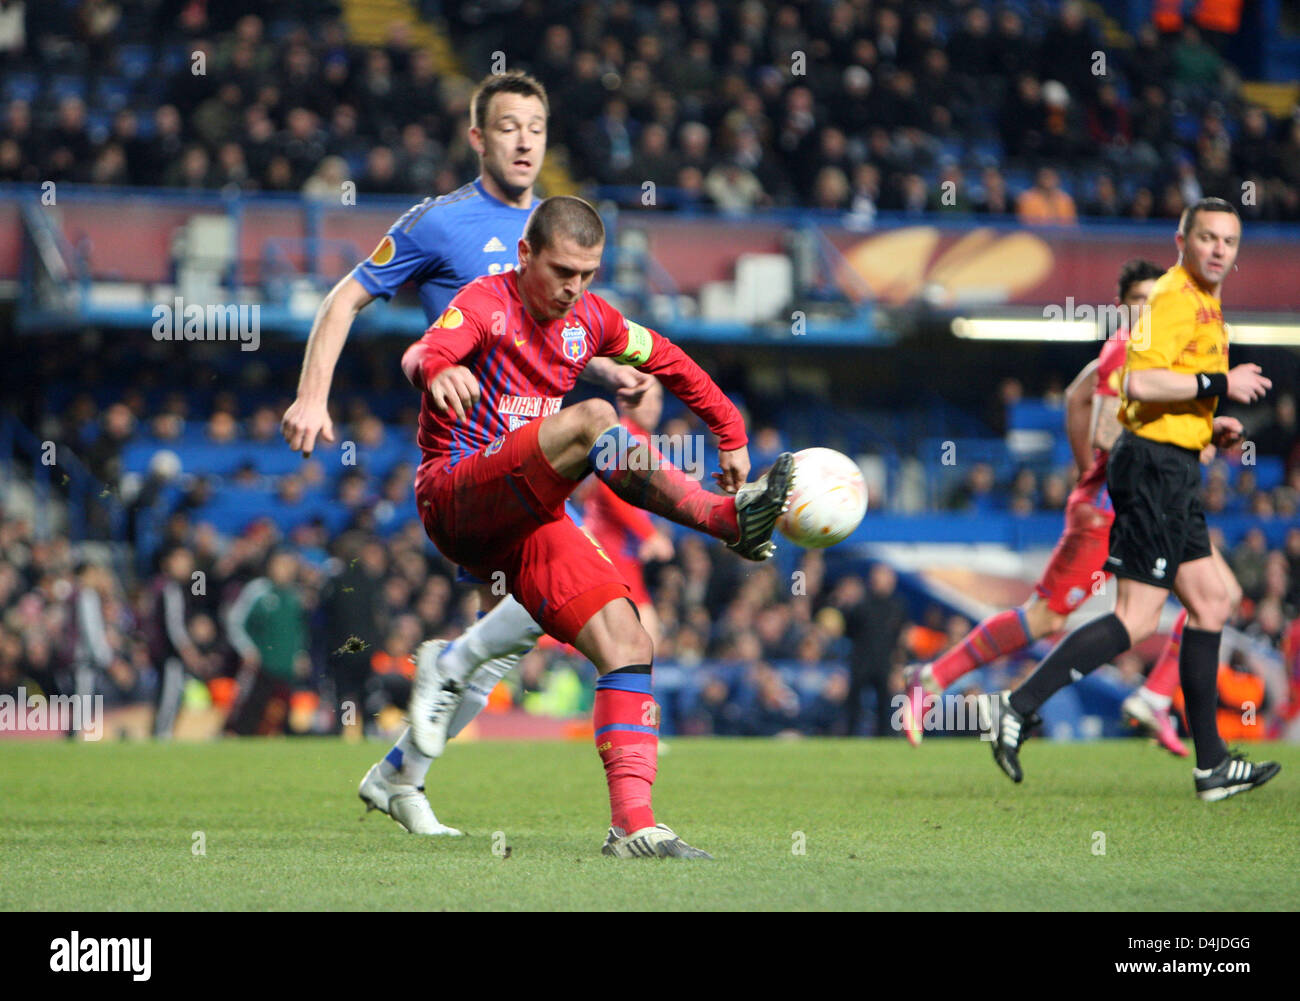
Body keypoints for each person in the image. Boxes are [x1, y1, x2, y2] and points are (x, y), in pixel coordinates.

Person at [279, 71, 649, 835]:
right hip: (475, 466)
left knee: (505, 640)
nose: (524, 141)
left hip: (536, 456)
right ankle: (425, 717)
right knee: (530, 619)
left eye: (536, 127)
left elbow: (546, 339)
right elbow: (345, 296)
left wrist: (606, 366)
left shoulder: (558, 229)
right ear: (477, 138)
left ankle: (398, 776)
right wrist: (312, 396)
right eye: (508, 126)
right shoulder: (438, 224)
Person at [401, 195, 795, 857]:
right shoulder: (483, 303)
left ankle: (634, 825)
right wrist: (439, 370)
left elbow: (669, 359)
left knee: (628, 638)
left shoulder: (591, 320)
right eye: (561, 271)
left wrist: (729, 430)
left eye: (587, 274)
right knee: (593, 420)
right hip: (456, 494)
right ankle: (722, 518)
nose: (573, 288)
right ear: (524, 254)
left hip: (525, 514)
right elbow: (425, 351)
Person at [983, 198, 1280, 801]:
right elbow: (1140, 383)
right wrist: (1220, 385)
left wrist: (1207, 423)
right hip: (1152, 470)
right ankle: (1017, 707)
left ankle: (1212, 766)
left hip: (1172, 464)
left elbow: (1153, 391)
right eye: (1208, 238)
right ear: (1183, 239)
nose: (1220, 249)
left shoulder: (1202, 302)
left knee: (1213, 601)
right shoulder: (1173, 297)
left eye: (1230, 240)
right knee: (1138, 618)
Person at [902, 260, 1200, 755]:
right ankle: (932, 677)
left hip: (1135, 506)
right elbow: (1107, 428)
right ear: (1123, 307)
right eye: (1138, 300)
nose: (1148, 308)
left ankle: (1158, 696)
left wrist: (1090, 468)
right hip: (1114, 509)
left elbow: (1076, 395)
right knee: (1045, 618)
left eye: (1156, 299)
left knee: (1208, 593)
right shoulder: (1127, 350)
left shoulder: (1139, 354)